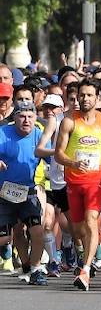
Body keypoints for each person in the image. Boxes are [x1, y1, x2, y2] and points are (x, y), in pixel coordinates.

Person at [48, 80, 101, 290]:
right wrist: (73, 162)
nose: (85, 99)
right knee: (77, 230)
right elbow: (58, 153)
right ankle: (91, 249)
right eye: (81, 95)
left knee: (91, 220)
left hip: (96, 181)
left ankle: (86, 269)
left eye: (89, 95)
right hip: (74, 182)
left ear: (97, 98)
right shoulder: (69, 121)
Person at [0, 101, 47, 284]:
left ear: (36, 118)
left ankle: (34, 269)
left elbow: (54, 156)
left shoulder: (39, 136)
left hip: (28, 192)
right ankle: (26, 264)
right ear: (15, 118)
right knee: (8, 236)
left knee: (37, 230)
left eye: (30, 116)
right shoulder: (3, 133)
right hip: (4, 193)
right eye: (21, 116)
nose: (26, 120)